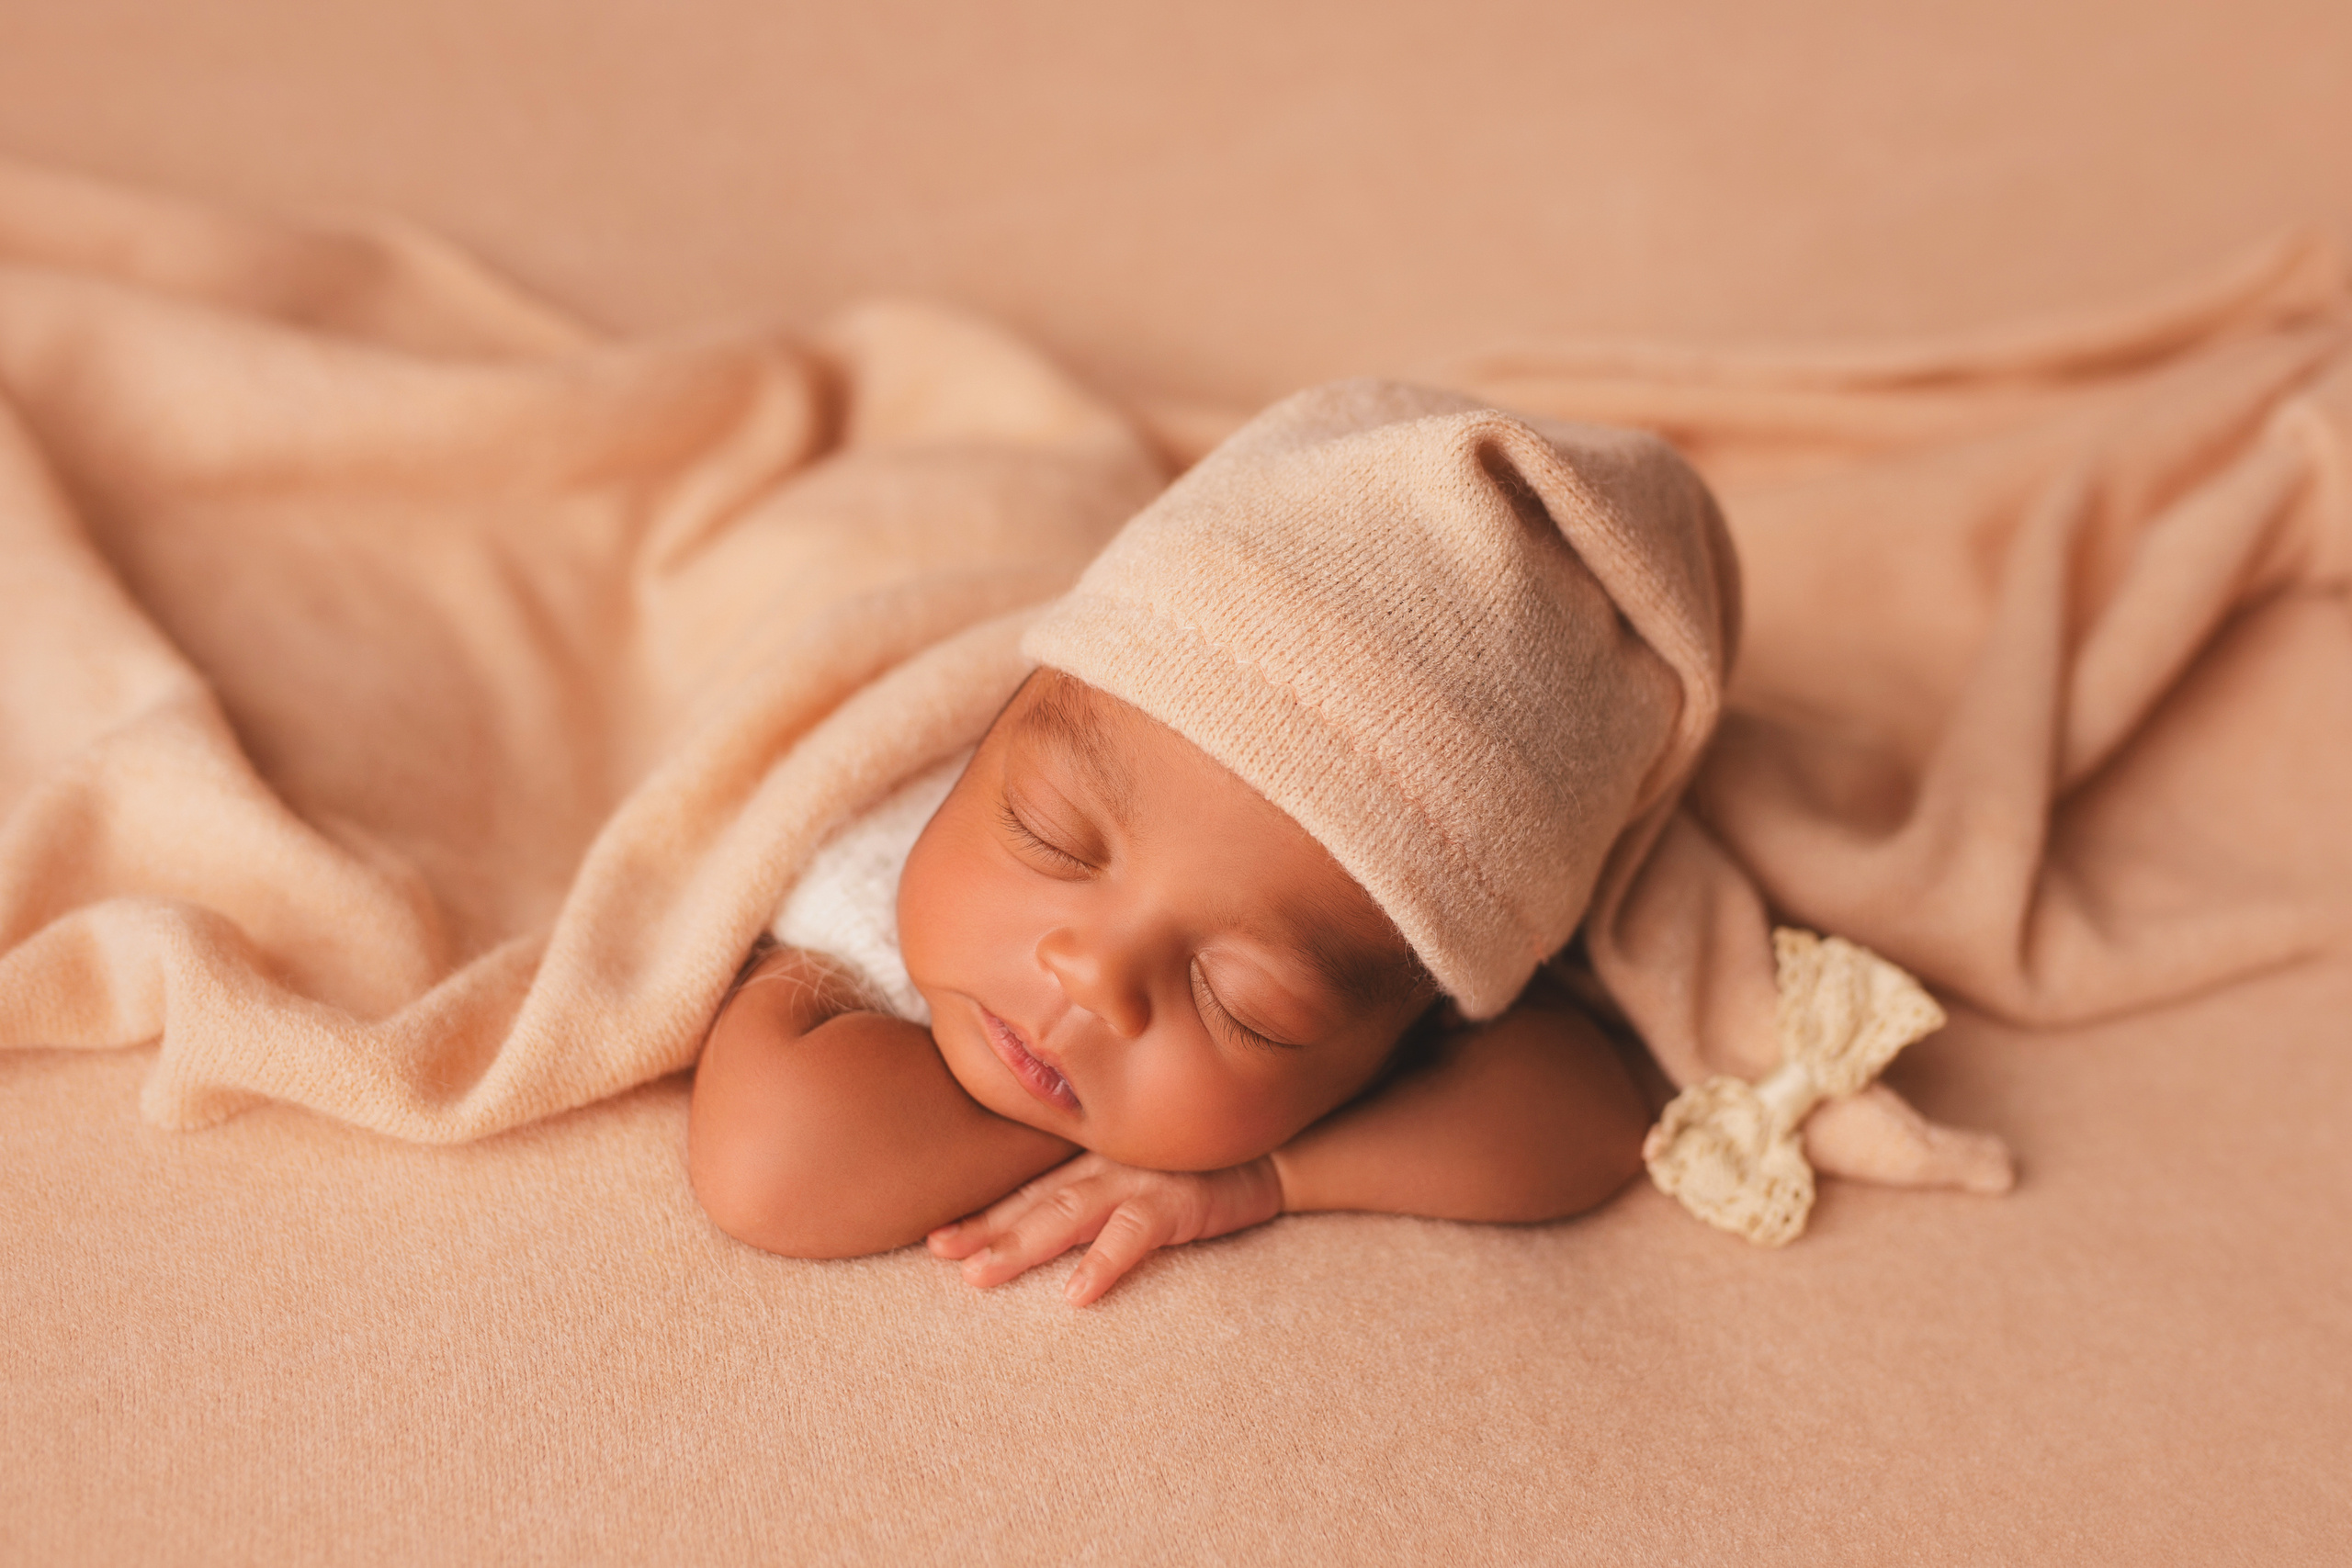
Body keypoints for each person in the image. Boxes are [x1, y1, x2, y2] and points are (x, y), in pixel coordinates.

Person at [689, 378, 1737, 1305]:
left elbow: (1591, 1116)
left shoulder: (1406, 951)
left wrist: (1264, 1174)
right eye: (1048, 837)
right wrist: (1155, 1117)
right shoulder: (879, 848)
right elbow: (773, 1166)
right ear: (995, 728)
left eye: (1246, 1003)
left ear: (1413, 1026)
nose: (1094, 973)